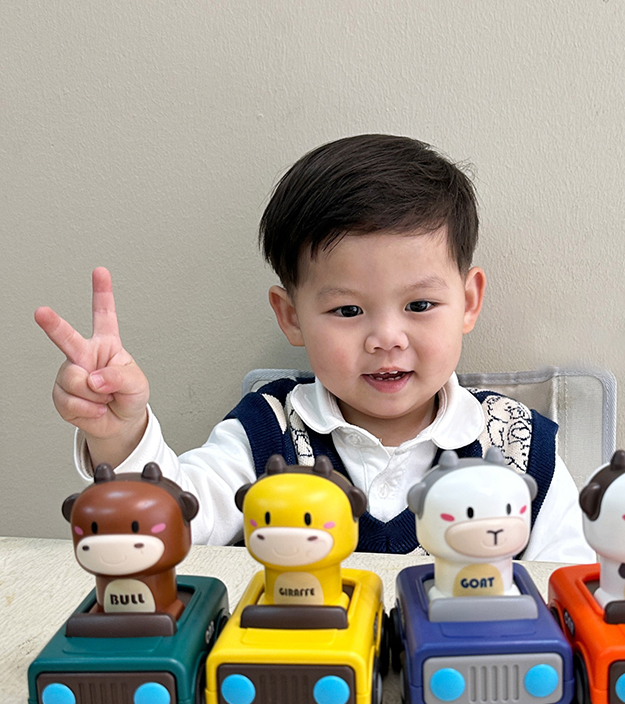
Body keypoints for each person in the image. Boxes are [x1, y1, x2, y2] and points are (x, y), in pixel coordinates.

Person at [35, 133, 594, 562]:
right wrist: (119, 433)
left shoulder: (519, 446)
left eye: (420, 305)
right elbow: (172, 525)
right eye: (348, 311)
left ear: (468, 302)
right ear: (290, 316)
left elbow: (567, 581)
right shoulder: (266, 432)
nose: (387, 338)